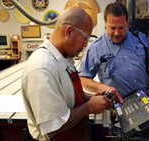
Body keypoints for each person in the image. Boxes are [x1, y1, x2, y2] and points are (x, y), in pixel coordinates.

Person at [22, 7, 118, 141]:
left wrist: (91, 98)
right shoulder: (42, 67)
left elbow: (68, 96)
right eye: (85, 38)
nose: (85, 45)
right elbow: (53, 125)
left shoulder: (64, 58)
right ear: (68, 31)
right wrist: (89, 107)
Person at [79, 2, 149, 140]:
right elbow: (83, 78)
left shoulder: (139, 38)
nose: (117, 33)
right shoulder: (96, 48)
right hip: (118, 109)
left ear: (127, 23)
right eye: (112, 28)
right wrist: (102, 87)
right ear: (105, 23)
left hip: (146, 101)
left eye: (121, 27)